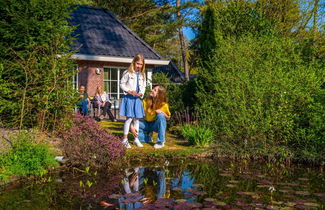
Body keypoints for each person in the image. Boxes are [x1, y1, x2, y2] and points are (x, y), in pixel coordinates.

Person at [119, 54, 146, 148]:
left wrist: (141, 93)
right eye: (137, 63)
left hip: (137, 99)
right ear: (134, 62)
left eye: (141, 64)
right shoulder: (128, 72)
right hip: (129, 98)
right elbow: (121, 84)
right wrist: (129, 91)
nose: (139, 66)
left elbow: (143, 86)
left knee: (136, 120)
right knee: (129, 119)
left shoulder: (142, 74)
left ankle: (136, 139)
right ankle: (125, 139)